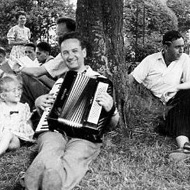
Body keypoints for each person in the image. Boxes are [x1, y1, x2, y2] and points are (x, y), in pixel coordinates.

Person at [23, 32, 120, 189]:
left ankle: (43, 181)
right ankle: (42, 180)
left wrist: (111, 109)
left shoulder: (100, 82)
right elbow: (47, 115)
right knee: (50, 148)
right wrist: (39, 102)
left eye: (74, 51)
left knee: (75, 156)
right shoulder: (60, 81)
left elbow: (112, 125)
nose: (70, 56)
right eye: (65, 52)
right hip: (55, 131)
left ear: (84, 52)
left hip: (85, 136)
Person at [129, 30, 190, 161]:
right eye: (177, 47)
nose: (181, 50)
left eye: (182, 47)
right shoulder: (150, 61)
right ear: (166, 47)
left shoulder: (184, 59)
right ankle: (185, 148)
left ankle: (185, 147)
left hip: (180, 95)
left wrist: (175, 87)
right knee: (176, 112)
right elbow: (131, 80)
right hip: (163, 104)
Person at [0, 74, 35, 156]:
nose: (18, 92)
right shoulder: (1, 107)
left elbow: (28, 122)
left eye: (19, 89)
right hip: (1, 134)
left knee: (8, 135)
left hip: (16, 139)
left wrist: (28, 127)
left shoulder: (23, 107)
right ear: (3, 95)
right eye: (13, 90)